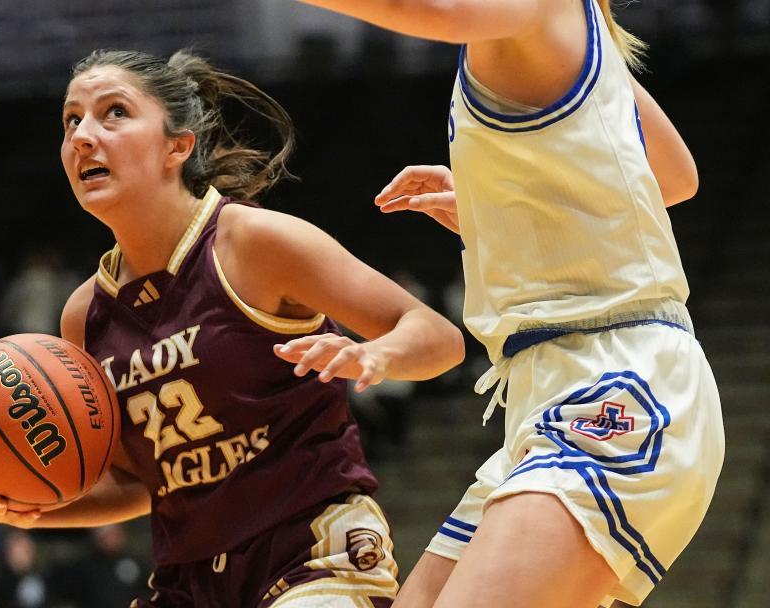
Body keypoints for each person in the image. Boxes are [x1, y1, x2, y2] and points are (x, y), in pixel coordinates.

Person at [0, 48, 466, 607]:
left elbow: (440, 337)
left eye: (113, 112)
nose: (82, 136)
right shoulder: (85, 315)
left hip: (311, 555)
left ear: (178, 145)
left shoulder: (252, 244)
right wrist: (28, 504)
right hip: (188, 583)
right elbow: (142, 483)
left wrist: (377, 356)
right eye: (71, 120)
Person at [294, 2, 725, 608]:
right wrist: (499, 204)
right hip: (552, 391)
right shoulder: (569, 27)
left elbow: (440, 12)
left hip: (619, 380)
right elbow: (673, 178)